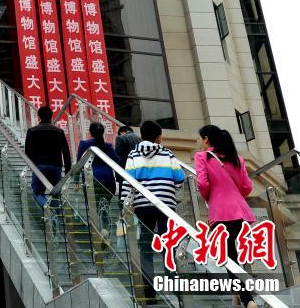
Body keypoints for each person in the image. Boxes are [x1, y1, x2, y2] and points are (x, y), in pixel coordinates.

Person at [120, 120, 186, 304]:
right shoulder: (167, 153)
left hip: (142, 206)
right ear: (159, 137)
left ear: (142, 136)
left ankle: (149, 291)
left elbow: (127, 182)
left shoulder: (133, 154)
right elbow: (180, 177)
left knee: (145, 247)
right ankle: (175, 288)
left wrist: (125, 205)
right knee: (168, 245)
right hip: (166, 206)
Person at [195, 124, 257, 308]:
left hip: (220, 212)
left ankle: (248, 299)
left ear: (206, 139)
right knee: (232, 253)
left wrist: (211, 198)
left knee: (229, 257)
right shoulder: (236, 158)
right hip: (240, 212)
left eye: (198, 138)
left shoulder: (202, 156)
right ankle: (240, 296)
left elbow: (202, 183)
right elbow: (248, 187)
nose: (197, 142)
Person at [24, 106, 71, 207]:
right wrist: (68, 170)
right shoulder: (59, 132)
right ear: (51, 117)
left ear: (39, 117)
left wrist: (31, 165)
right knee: (56, 193)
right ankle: (56, 217)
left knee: (37, 192)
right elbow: (66, 152)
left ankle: (49, 211)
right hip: (56, 166)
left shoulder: (32, 131)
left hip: (39, 166)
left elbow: (27, 152)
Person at [76, 122, 120, 196]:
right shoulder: (108, 146)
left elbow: (78, 165)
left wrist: (76, 182)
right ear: (102, 132)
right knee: (105, 206)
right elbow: (118, 161)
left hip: (90, 180)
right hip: (108, 180)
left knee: (92, 205)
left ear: (90, 132)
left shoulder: (84, 145)